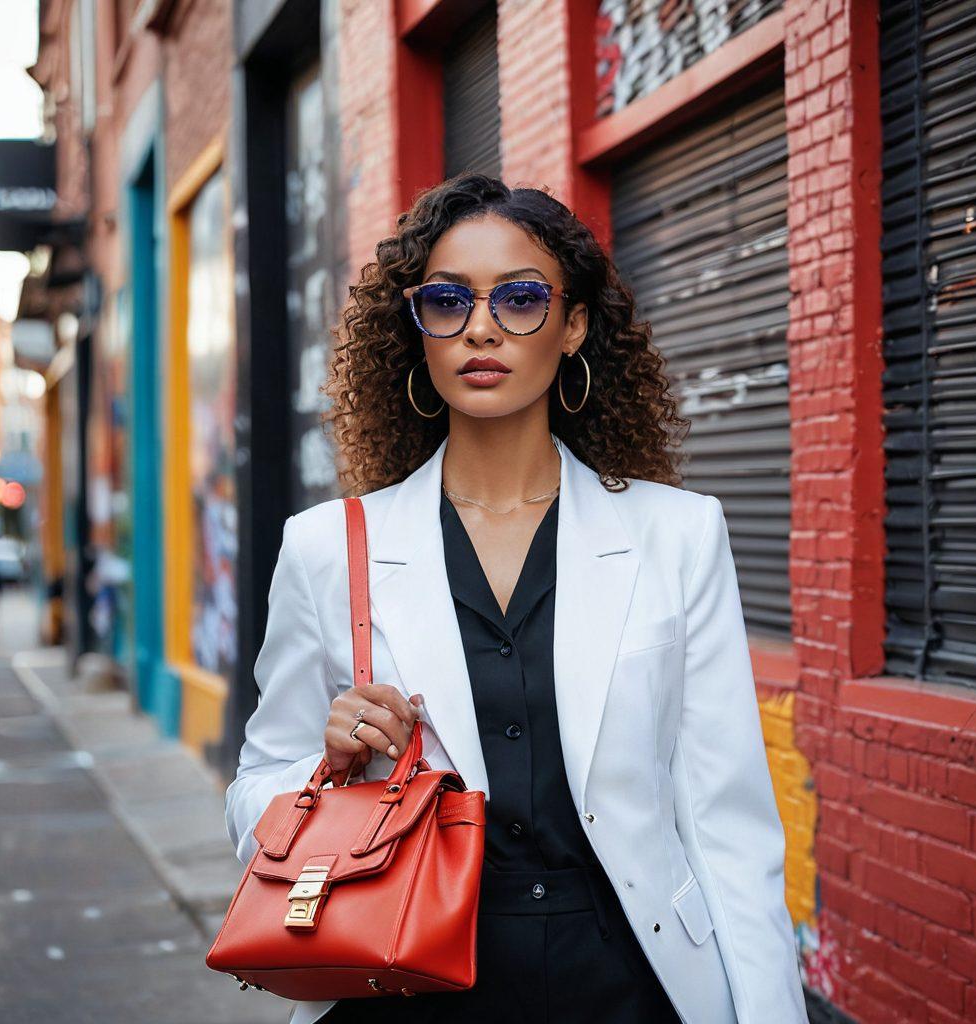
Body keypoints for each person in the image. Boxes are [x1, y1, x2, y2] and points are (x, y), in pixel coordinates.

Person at [224, 173, 809, 1024]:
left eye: (522, 299)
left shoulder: (677, 535)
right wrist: (331, 761)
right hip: (410, 982)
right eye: (448, 302)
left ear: (573, 325)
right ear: (418, 329)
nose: (483, 328)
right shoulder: (327, 548)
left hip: (628, 982)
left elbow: (729, 823)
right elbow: (255, 792)